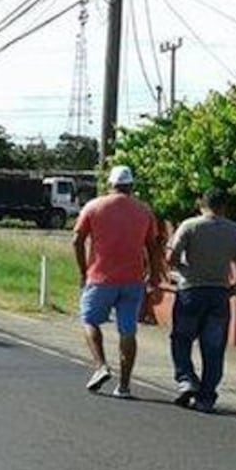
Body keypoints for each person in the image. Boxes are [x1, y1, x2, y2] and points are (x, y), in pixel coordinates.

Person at [72, 165, 162, 399]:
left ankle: (101, 365)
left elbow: (77, 240)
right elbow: (153, 246)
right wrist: (153, 278)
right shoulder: (144, 211)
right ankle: (124, 385)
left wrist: (83, 271)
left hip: (100, 277)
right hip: (133, 280)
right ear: (131, 186)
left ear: (110, 184)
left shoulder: (94, 206)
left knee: (89, 320)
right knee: (128, 331)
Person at [166, 188, 236, 412]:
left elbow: (171, 256)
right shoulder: (235, 231)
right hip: (219, 293)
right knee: (213, 348)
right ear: (224, 206)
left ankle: (186, 379)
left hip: (191, 290)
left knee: (181, 338)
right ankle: (206, 397)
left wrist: (180, 267)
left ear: (201, 204)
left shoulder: (190, 226)